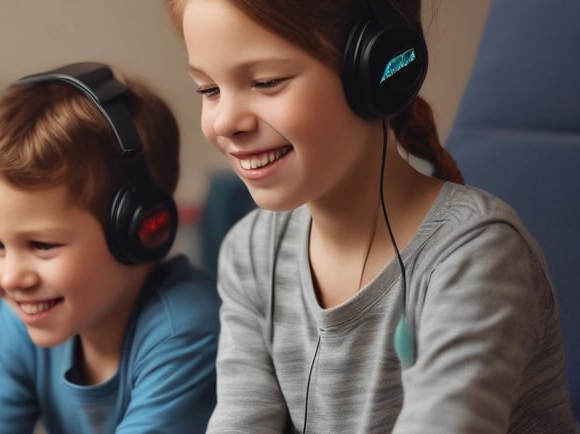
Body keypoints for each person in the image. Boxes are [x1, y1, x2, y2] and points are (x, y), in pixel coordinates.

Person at [166, 0, 576, 432]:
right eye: (208, 90)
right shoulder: (250, 253)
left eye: (266, 82)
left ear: (378, 72)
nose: (226, 121)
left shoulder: (477, 256)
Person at [0, 62, 220, 434]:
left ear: (140, 229)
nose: (11, 278)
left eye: (42, 245)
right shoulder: (24, 317)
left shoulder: (186, 331)